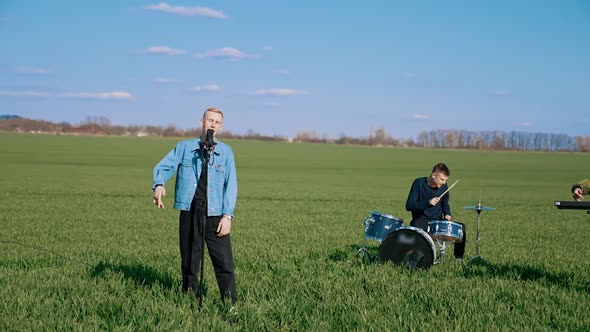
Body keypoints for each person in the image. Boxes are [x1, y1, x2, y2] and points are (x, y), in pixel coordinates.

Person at [152, 107, 237, 304]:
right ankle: (189, 300)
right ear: (202, 122)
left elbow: (230, 185)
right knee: (190, 260)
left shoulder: (225, 152)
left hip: (215, 213)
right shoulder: (184, 148)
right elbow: (165, 166)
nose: (212, 125)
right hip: (190, 211)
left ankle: (230, 303)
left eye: (216, 122)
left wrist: (227, 216)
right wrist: (159, 184)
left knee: (224, 262)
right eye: (209, 121)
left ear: (220, 127)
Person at [405, 163, 466, 261]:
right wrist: (427, 203)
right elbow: (409, 206)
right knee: (418, 231)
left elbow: (445, 203)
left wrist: (447, 214)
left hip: (437, 221)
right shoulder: (418, 183)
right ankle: (419, 259)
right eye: (442, 179)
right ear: (434, 175)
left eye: (445, 180)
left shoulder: (444, 186)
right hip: (421, 220)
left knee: (461, 228)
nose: (444, 182)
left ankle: (458, 258)